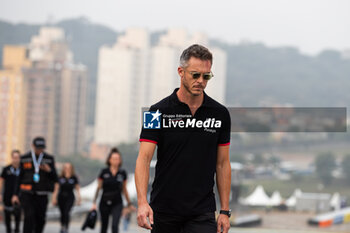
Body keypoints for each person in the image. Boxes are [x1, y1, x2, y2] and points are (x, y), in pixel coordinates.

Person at [135, 44, 232, 233]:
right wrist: (142, 202)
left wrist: (225, 211)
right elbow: (144, 159)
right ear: (181, 72)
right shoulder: (156, 111)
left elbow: (222, 164)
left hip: (202, 212)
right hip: (163, 210)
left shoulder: (220, 114)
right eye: (195, 75)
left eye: (206, 76)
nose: (201, 81)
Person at [12, 137, 58, 233]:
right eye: (38, 148)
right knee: (29, 216)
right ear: (33, 146)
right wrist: (15, 195)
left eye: (42, 148)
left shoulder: (49, 159)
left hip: (42, 194)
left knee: (40, 219)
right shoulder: (24, 158)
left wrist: (49, 170)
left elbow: (55, 178)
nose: (40, 150)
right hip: (27, 193)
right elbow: (19, 178)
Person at [92, 147, 134, 233]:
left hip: (117, 202)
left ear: (120, 160)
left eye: (118, 158)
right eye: (114, 158)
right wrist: (94, 203)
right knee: (104, 226)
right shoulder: (104, 172)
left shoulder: (122, 173)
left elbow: (124, 189)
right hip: (104, 201)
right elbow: (98, 188)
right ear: (109, 160)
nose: (116, 160)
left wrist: (129, 204)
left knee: (115, 226)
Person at [52, 163, 81, 233]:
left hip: (70, 197)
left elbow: (77, 189)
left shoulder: (74, 177)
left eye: (69, 168)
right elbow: (56, 188)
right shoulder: (60, 177)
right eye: (66, 168)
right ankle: (62, 225)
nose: (67, 169)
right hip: (61, 197)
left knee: (67, 212)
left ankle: (66, 227)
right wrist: (54, 198)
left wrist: (79, 198)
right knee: (62, 213)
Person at [0, 150, 21, 233]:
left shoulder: (22, 170)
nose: (16, 159)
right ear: (12, 158)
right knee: (7, 220)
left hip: (19, 197)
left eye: (18, 157)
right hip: (7, 196)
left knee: (17, 220)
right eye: (14, 157)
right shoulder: (6, 169)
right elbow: (1, 181)